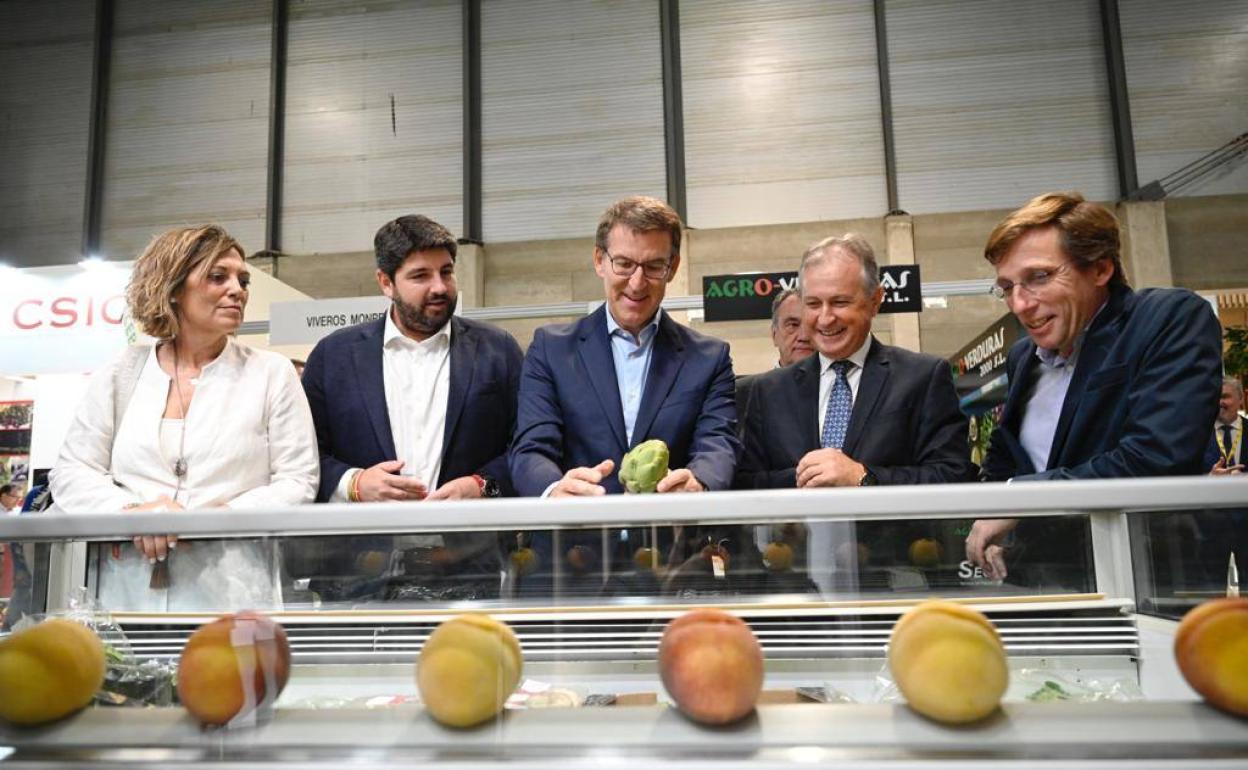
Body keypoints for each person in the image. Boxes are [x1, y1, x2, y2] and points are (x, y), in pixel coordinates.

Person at [50, 225, 319, 611]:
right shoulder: (121, 372)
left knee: (227, 673)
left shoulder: (271, 372)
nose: (237, 289)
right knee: (131, 673)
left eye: (242, 280)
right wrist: (132, 514)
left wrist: (222, 518)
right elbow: (74, 470)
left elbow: (299, 479)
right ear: (174, 288)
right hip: (125, 596)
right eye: (217, 276)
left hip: (234, 591)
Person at [965, 192, 1223, 580]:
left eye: (1038, 277)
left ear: (1100, 269)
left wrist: (1023, 499)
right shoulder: (1023, 359)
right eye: (1006, 287)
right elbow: (1008, 459)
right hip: (1050, 583)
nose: (1019, 304)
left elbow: (1157, 456)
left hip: (1149, 578)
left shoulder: (1166, 321)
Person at [301, 214, 523, 596]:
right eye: (421, 276)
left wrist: (481, 485)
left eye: (447, 272)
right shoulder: (333, 356)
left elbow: (523, 445)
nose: (440, 287)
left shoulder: (497, 350)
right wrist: (354, 483)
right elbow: (305, 455)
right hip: (359, 576)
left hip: (468, 571)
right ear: (386, 282)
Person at [510, 195, 739, 498]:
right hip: (577, 538)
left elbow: (718, 443)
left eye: (654, 266)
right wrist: (553, 489)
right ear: (599, 261)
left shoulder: (709, 358)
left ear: (673, 268)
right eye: (624, 264)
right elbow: (531, 448)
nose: (637, 282)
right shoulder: (551, 350)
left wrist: (698, 481)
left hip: (670, 534)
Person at [735, 234, 973, 490]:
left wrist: (862, 476)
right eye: (813, 304)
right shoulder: (766, 392)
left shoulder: (923, 378)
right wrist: (811, 477)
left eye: (840, 302)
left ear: (875, 301)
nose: (825, 319)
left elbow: (952, 474)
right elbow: (744, 483)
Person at [1207, 377, 1245, 475]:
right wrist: (1209, 478)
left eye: (1225, 396)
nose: (1219, 402)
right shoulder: (1199, 434)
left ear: (1241, 399)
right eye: (1216, 397)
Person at [770, 288, 815, 368]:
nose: (804, 337)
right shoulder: (757, 381)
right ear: (774, 335)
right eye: (793, 325)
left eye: (812, 325)